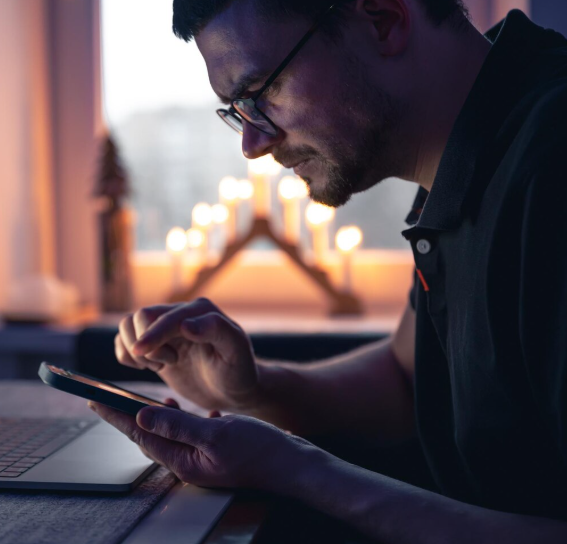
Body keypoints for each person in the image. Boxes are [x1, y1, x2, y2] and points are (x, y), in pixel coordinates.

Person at [89, 0, 567, 541]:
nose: (252, 144)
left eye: (260, 92)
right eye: (237, 111)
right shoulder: (468, 147)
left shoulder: (553, 163)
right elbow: (408, 382)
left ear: (382, 19)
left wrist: (294, 468)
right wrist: (253, 391)